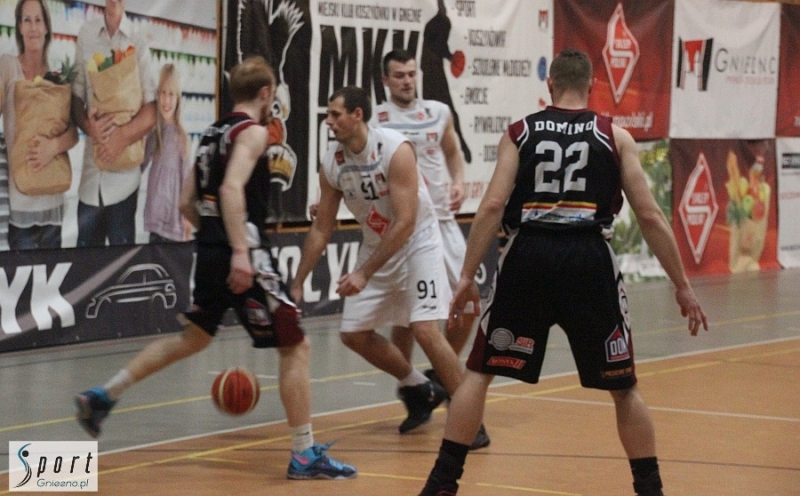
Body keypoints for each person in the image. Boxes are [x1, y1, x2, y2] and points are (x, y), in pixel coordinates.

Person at [419, 49, 709, 496]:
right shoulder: (615, 136)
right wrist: (682, 285)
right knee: (623, 386)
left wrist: (465, 277)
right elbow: (650, 215)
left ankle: (443, 483)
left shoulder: (520, 132)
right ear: (591, 86)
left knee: (479, 371)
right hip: (588, 257)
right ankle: (650, 489)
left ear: (550, 85)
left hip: (528, 254)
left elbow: (492, 206)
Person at [74, 57, 357, 481]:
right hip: (244, 253)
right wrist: (239, 251)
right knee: (296, 346)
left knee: (194, 337)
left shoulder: (210, 135)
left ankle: (104, 394)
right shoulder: (253, 132)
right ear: (265, 94)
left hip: (209, 250)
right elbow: (230, 188)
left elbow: (186, 201)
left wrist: (215, 239)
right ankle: (303, 454)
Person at [289, 86, 487, 448]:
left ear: (357, 116)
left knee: (424, 328)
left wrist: (364, 272)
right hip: (377, 243)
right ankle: (420, 388)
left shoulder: (394, 149)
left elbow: (406, 222)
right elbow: (322, 227)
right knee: (353, 333)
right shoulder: (332, 161)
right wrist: (298, 281)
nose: (328, 121)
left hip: (417, 241)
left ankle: (471, 422)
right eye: (328, 114)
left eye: (335, 114)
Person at [372, 49, 476, 401]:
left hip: (442, 221)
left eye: (411, 74)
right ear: (386, 80)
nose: (407, 81)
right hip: (404, 226)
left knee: (470, 302)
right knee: (406, 316)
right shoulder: (376, 119)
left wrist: (458, 181)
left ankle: (440, 371)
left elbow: (452, 151)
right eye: (399, 75)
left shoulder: (438, 112)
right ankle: (414, 388)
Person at [71, 0, 156, 247]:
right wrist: (89, 127)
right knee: (86, 265)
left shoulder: (138, 39)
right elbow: (75, 98)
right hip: (90, 181)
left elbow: (152, 110)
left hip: (124, 183)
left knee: (122, 266)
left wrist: (122, 137)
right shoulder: (87, 34)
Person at [0, 0, 78, 249]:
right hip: (19, 203)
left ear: (46, 27)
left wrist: (53, 147)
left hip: (52, 202)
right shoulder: (7, 66)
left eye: (38, 20)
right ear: (19, 28)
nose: (33, 27)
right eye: (27, 20)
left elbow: (73, 133)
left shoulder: (58, 76)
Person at [142, 63, 192, 243]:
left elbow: (186, 181)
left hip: (173, 224)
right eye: (162, 93)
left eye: (171, 94)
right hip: (155, 221)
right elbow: (140, 165)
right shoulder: (154, 134)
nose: (166, 100)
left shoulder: (181, 137)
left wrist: (187, 218)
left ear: (178, 98)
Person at [421, 0, 470, 163]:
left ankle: (460, 143)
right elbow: (439, 47)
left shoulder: (437, 23)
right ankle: (460, 143)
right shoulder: (441, 22)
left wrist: (450, 57)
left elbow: (439, 46)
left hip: (430, 69)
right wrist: (450, 57)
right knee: (445, 110)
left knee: (439, 110)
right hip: (433, 70)